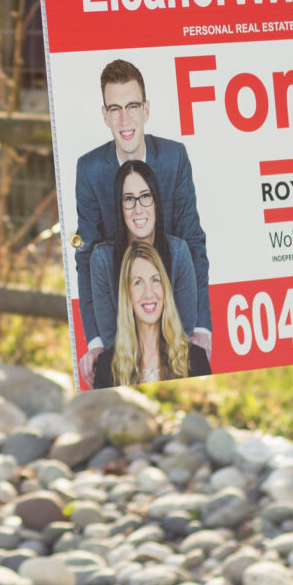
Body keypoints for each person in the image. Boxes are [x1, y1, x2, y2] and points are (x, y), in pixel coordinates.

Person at [70, 58, 207, 387]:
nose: (125, 119)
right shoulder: (89, 169)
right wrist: (97, 344)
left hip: (173, 298)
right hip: (117, 305)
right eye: (115, 109)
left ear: (146, 109)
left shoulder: (174, 157)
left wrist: (201, 327)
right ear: (104, 115)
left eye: (132, 106)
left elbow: (193, 240)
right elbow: (85, 256)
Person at [80, 157, 206, 384]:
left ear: (156, 202)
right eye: (129, 199)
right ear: (120, 207)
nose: (138, 208)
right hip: (125, 373)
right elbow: (110, 337)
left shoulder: (178, 252)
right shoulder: (103, 259)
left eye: (145, 197)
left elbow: (184, 327)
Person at [100, 240, 206, 387]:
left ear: (165, 288)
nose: (149, 293)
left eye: (155, 280)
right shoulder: (105, 366)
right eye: (138, 282)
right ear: (127, 294)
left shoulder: (196, 358)